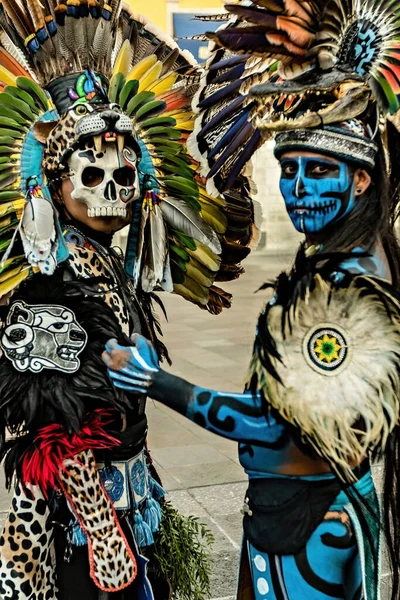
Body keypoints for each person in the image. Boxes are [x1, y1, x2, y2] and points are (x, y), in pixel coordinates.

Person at [103, 1, 400, 599]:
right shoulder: (335, 263)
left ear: (360, 178)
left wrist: (155, 380)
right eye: (289, 171)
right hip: (295, 516)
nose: (298, 191)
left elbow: (274, 427)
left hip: (311, 529)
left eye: (319, 171)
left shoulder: (353, 292)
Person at [0, 1, 255, 598]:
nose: (114, 191)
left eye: (125, 173)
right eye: (92, 175)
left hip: (130, 492)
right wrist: (102, 527)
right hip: (78, 522)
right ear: (54, 188)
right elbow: (51, 430)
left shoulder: (111, 264)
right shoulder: (48, 284)